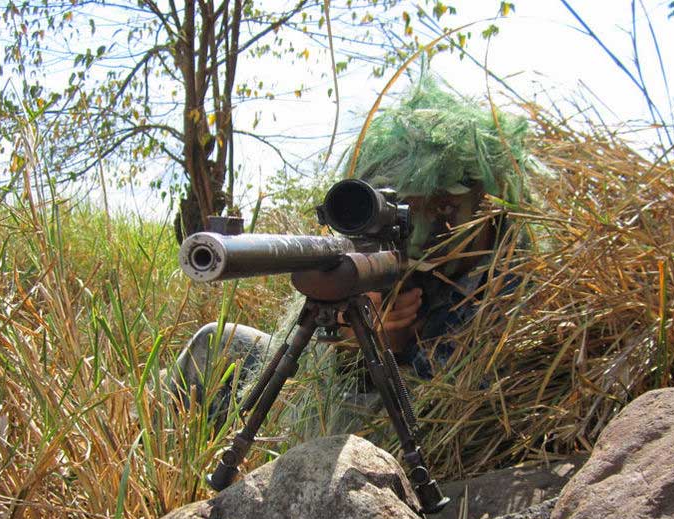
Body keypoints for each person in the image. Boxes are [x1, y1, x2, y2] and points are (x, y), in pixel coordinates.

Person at [172, 75, 533, 433]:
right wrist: (347, 344)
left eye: (442, 208)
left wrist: (385, 348)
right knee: (215, 342)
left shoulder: (504, 284)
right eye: (405, 207)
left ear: (490, 204)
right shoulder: (387, 254)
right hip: (345, 394)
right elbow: (322, 366)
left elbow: (443, 411)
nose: (420, 229)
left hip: (400, 425)